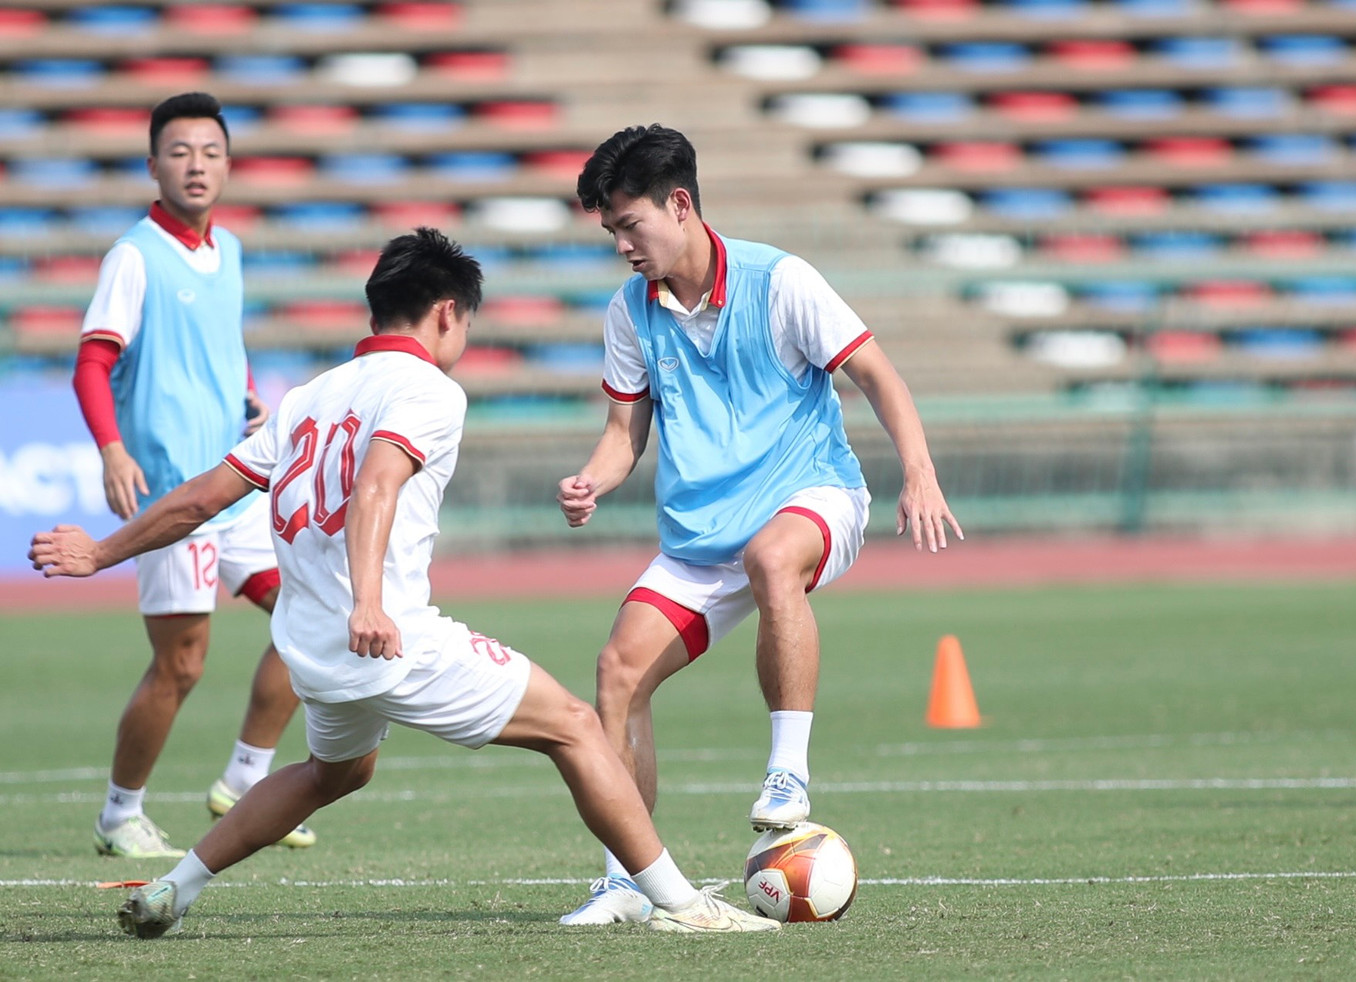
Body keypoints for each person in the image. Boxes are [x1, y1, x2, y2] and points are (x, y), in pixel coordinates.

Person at [31, 228, 779, 938]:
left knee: (334, 772)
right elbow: (377, 487)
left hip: (309, 647)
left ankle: (175, 887)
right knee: (577, 728)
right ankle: (681, 904)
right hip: (386, 635)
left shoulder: (308, 396)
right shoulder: (427, 391)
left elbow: (201, 498)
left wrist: (101, 552)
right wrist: (368, 601)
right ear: (447, 312)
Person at [555, 124, 963, 924]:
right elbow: (622, 433)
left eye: (628, 226)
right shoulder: (629, 311)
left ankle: (788, 776)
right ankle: (627, 882)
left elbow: (876, 373)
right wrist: (591, 482)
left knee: (773, 557)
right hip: (702, 535)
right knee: (616, 675)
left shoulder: (782, 281)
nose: (621, 247)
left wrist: (919, 470)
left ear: (680, 206)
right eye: (610, 232)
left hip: (812, 497)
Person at [72, 91, 313, 858]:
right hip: (175, 496)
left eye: (210, 152)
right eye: (179, 152)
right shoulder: (133, 256)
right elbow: (92, 362)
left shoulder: (230, 251)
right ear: (152, 165)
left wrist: (245, 397)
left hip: (235, 488)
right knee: (181, 664)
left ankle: (247, 776)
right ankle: (119, 814)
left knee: (313, 619)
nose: (196, 165)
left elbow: (222, 343)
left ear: (229, 164)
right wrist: (113, 449)